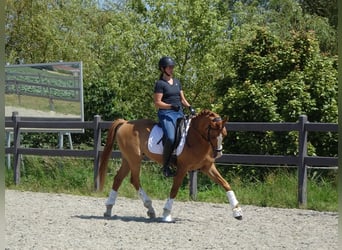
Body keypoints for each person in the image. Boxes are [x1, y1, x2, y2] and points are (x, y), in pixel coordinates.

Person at [153, 56, 196, 177]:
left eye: (172, 67)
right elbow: (157, 103)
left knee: (187, 135)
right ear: (163, 69)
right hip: (166, 114)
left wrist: (190, 107)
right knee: (171, 138)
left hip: (179, 113)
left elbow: (182, 99)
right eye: (169, 67)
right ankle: (165, 167)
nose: (172, 69)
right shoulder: (160, 84)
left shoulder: (177, 82)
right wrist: (171, 106)